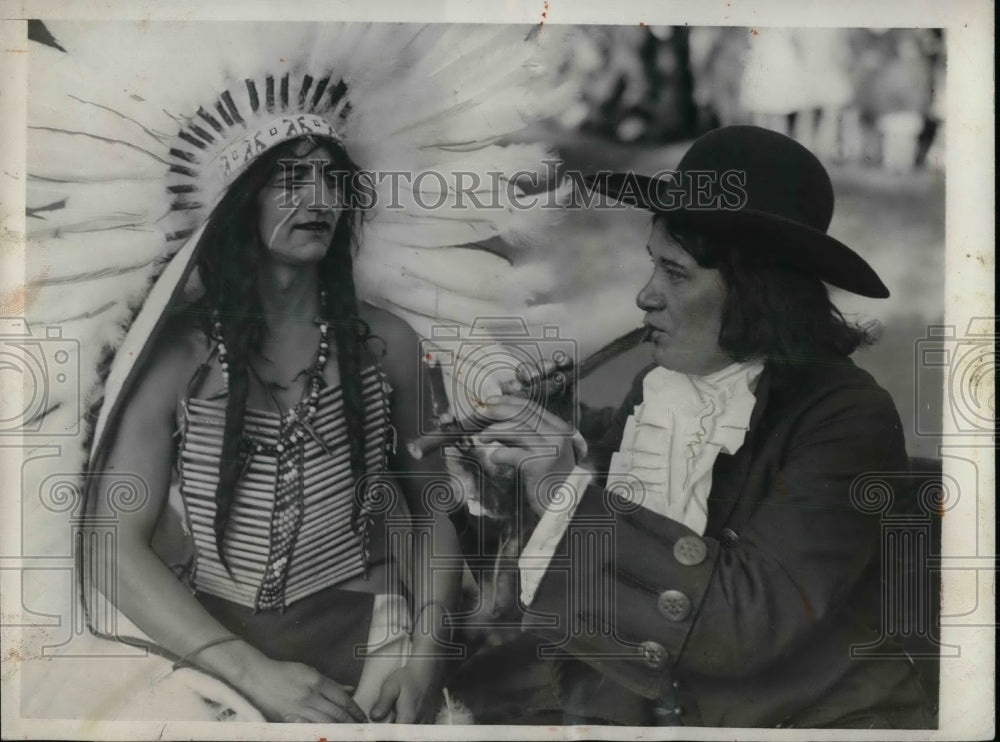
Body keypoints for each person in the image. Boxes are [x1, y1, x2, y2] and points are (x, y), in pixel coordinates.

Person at [465, 126, 936, 727]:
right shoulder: (661, 390)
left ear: (751, 291)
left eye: (676, 273)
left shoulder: (847, 417)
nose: (645, 296)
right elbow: (622, 492)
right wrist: (526, 439)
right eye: (650, 266)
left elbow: (744, 624)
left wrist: (563, 488)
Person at [84, 130, 460, 724]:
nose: (321, 200)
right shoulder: (177, 358)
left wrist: (428, 651)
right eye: (292, 179)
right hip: (211, 644)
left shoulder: (389, 345)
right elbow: (110, 547)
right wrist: (249, 673)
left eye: (334, 180)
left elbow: (432, 508)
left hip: (369, 641)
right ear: (240, 200)